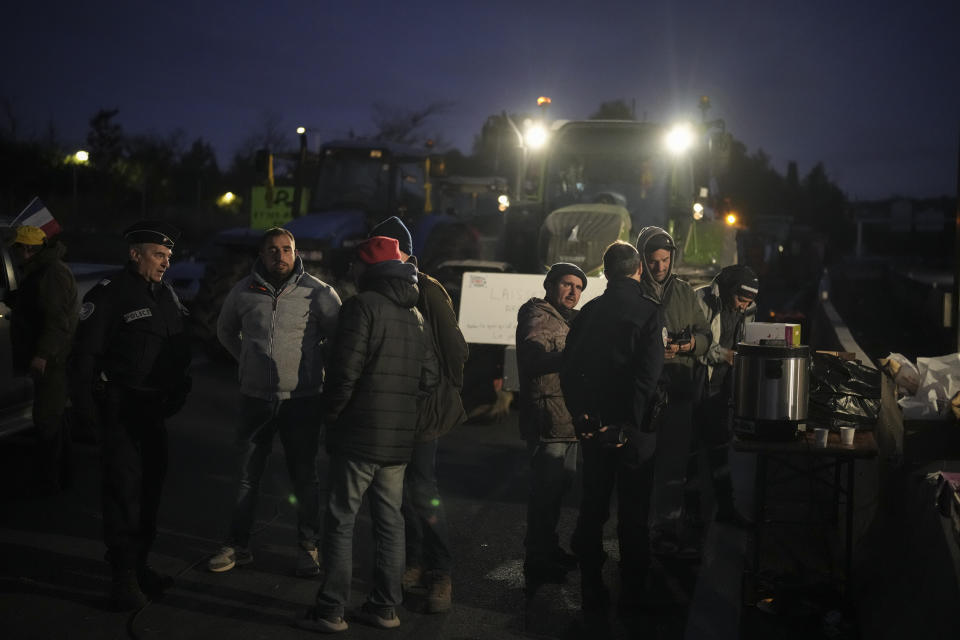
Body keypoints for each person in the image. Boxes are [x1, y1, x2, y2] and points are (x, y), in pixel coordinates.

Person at [298, 236, 438, 634]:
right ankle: (385, 607)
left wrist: (334, 417)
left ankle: (331, 609)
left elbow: (344, 374)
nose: (352, 273)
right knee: (390, 522)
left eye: (356, 266)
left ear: (368, 269)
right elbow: (428, 378)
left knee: (341, 519)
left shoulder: (360, 307)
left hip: (359, 434)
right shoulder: (414, 314)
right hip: (397, 439)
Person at [71, 220, 192, 610]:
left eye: (169, 257)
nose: (165, 263)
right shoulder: (110, 295)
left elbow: (178, 349)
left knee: (150, 492)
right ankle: (122, 578)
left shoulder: (166, 294)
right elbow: (84, 357)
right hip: (120, 408)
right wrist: (89, 413)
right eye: (159, 255)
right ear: (134, 254)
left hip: (153, 411)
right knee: (123, 494)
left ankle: (139, 566)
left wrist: (179, 389)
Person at [208, 227, 342, 576]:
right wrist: (246, 361)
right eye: (272, 250)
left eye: (286, 249)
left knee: (304, 477)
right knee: (246, 477)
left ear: (295, 252)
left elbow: (339, 340)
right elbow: (224, 330)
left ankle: (307, 547)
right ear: (262, 253)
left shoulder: (319, 293)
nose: (279, 256)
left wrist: (318, 372)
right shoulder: (243, 290)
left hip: (302, 401)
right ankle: (237, 546)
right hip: (256, 399)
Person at [368, 217, 469, 614]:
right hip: (390, 408)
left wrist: (445, 392)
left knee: (422, 489)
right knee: (400, 491)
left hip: (423, 409)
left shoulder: (427, 290)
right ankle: (414, 561)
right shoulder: (377, 288)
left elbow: (456, 348)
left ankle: (440, 571)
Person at [560, 241, 665, 611]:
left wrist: (583, 415)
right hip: (633, 432)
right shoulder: (649, 312)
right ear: (638, 270)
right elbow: (646, 378)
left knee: (593, 506)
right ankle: (634, 593)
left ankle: (591, 584)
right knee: (634, 513)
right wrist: (626, 425)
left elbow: (570, 370)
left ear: (605, 273)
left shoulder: (589, 312)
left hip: (594, 427)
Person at [635, 226, 710, 557]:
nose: (660, 267)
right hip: (643, 394)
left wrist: (692, 344)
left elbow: (705, 335)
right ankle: (634, 529)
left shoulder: (684, 292)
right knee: (638, 465)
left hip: (679, 390)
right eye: (653, 261)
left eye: (665, 260)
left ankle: (666, 529)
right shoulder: (632, 292)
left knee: (674, 466)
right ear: (642, 260)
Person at [516, 261, 587, 585]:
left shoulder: (563, 319)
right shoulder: (539, 315)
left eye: (578, 287)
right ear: (550, 285)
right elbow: (534, 357)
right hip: (548, 419)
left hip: (565, 418)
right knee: (545, 493)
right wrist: (572, 356)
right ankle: (538, 558)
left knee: (558, 489)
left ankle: (548, 547)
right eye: (567, 284)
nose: (573, 292)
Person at [684, 265, 759, 530]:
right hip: (696, 385)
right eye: (740, 299)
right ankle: (691, 515)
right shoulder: (700, 299)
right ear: (728, 290)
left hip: (721, 389)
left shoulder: (748, 309)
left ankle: (725, 510)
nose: (742, 307)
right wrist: (724, 355)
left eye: (748, 303)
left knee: (719, 452)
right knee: (690, 453)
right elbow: (689, 342)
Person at [8, 225, 78, 495]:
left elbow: (56, 322)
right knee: (55, 417)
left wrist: (42, 355)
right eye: (20, 247)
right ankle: (58, 476)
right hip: (54, 357)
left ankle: (50, 481)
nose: (23, 253)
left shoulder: (50, 273)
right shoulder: (42, 270)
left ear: (38, 248)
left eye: (29, 248)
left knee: (48, 418)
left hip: (54, 359)